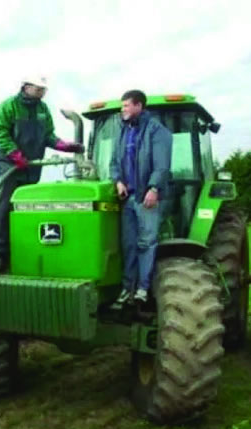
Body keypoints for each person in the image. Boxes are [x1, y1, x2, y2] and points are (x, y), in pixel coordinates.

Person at [0, 75, 84, 272]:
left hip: (33, 164)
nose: (42, 92)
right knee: (6, 206)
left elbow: (48, 135)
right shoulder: (9, 107)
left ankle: (28, 249)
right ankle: (0, 253)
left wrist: (64, 146)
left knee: (30, 207)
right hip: (11, 165)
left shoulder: (43, 110)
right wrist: (14, 153)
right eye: (39, 88)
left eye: (44, 89)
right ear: (26, 86)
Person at [109, 90, 172, 308]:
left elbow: (162, 164)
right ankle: (128, 288)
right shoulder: (122, 132)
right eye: (122, 106)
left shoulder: (157, 131)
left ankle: (143, 288)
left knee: (146, 243)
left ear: (139, 106)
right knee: (129, 244)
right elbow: (114, 162)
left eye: (126, 105)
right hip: (128, 199)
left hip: (146, 197)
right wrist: (117, 181)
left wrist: (154, 188)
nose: (123, 109)